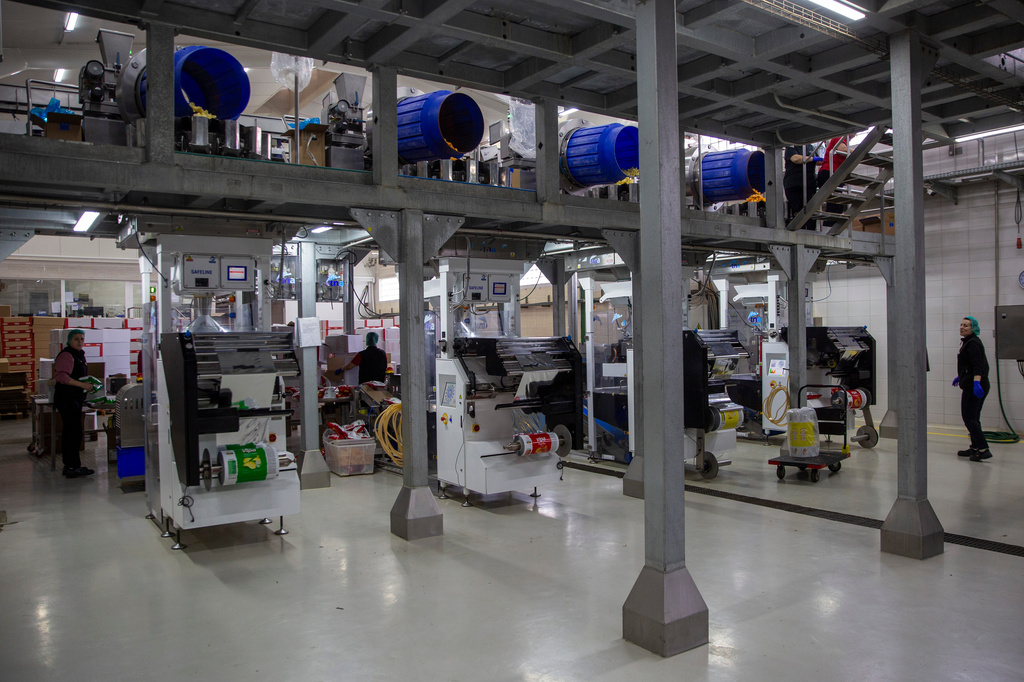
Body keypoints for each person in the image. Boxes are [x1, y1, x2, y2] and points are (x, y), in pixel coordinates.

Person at [53, 329, 98, 478]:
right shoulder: (67, 355)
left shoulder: (79, 355)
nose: (79, 342)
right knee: (72, 433)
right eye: (76, 339)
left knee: (74, 432)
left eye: (82, 339)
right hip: (67, 399)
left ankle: (72, 465)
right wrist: (82, 385)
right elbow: (61, 376)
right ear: (69, 341)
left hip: (75, 399)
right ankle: (71, 466)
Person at [953, 316, 991, 461]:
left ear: (973, 328)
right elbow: (967, 365)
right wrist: (960, 376)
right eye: (961, 324)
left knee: (969, 418)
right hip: (971, 383)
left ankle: (983, 448)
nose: (962, 327)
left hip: (975, 387)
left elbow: (977, 365)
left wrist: (976, 383)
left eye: (966, 326)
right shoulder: (968, 342)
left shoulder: (973, 343)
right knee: (973, 418)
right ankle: (975, 447)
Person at [783, 143, 822, 229]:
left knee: (810, 210)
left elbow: (819, 161)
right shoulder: (791, 147)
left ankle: (811, 231)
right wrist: (812, 158)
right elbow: (795, 159)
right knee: (797, 211)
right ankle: (799, 229)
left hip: (809, 183)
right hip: (794, 184)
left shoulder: (811, 147)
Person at [816, 136, 848, 228]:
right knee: (835, 204)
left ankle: (831, 226)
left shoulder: (845, 140)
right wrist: (858, 152)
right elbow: (843, 149)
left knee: (837, 205)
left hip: (834, 173)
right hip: (829, 172)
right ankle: (829, 227)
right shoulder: (840, 137)